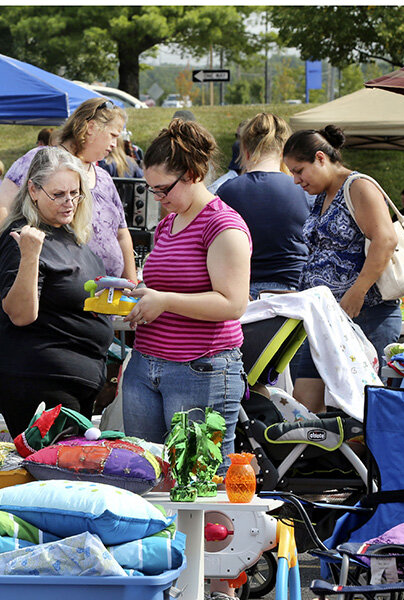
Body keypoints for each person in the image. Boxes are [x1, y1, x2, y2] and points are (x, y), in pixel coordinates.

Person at [121, 118, 251, 476]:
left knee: (197, 481)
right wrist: (133, 296)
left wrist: (164, 301)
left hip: (200, 368)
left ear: (194, 173)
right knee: (146, 477)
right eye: (152, 190)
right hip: (148, 364)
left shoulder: (222, 225)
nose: (158, 199)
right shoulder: (169, 222)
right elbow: (162, 286)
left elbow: (233, 304)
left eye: (163, 189)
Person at [0, 146, 113, 436]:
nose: (69, 202)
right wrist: (30, 256)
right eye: (58, 195)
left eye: (75, 193)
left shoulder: (68, 232)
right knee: (54, 471)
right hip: (38, 377)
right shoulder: (22, 235)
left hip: (76, 378)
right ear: (33, 190)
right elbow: (19, 314)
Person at [283, 125, 400, 414]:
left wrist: (357, 291)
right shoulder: (322, 196)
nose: (296, 180)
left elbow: (385, 240)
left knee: (367, 409)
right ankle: (318, 460)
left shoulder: (358, 186)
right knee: (304, 407)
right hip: (325, 320)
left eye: (300, 171)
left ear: (321, 158)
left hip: (366, 313)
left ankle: (359, 461)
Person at [0, 97, 137, 281]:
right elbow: (3, 206)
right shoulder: (41, 160)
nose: (115, 144)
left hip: (110, 296)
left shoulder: (104, 177)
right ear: (91, 128)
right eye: (113, 135)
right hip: (61, 287)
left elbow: (121, 233)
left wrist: (131, 283)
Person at [217, 113, 312, 299]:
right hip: (295, 292)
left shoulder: (225, 192)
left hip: (242, 293)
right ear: (285, 151)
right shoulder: (305, 190)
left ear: (245, 151)